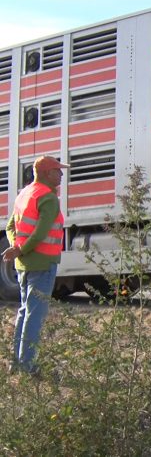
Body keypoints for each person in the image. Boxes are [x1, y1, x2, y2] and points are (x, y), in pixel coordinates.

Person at [3, 155, 69, 375]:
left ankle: (17, 363)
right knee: (35, 314)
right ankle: (29, 366)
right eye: (57, 170)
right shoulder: (48, 198)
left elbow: (10, 226)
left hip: (24, 264)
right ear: (47, 173)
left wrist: (17, 248)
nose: (61, 174)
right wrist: (20, 248)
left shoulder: (25, 194)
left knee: (24, 312)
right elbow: (41, 232)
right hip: (42, 262)